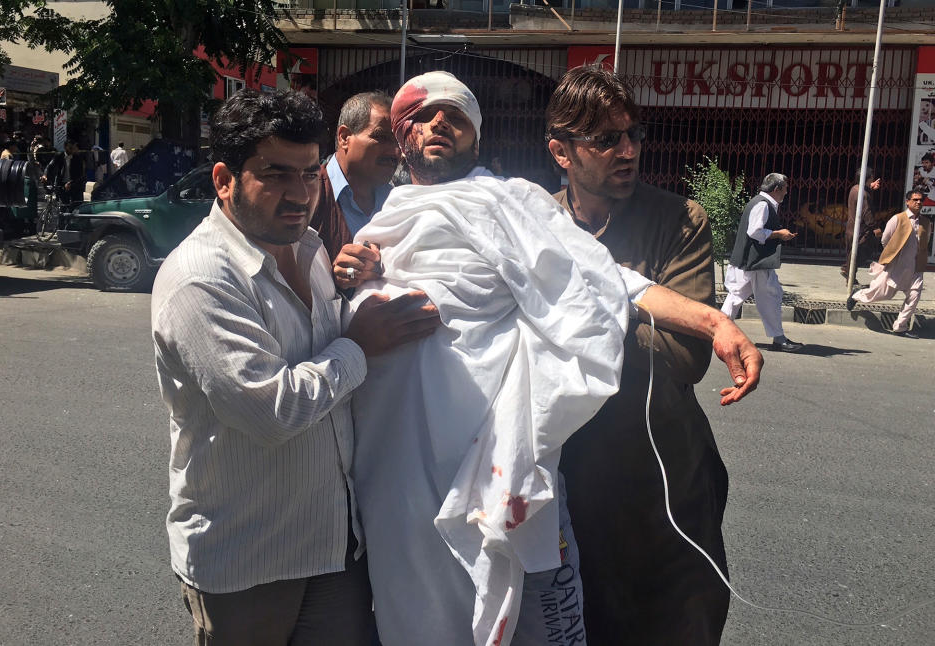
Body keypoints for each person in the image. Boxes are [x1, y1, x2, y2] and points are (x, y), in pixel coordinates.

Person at [342, 70, 762, 646]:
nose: (439, 122)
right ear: (400, 135)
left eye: (457, 115)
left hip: (525, 455)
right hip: (403, 463)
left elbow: (604, 280)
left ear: (478, 138)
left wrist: (713, 320)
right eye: (422, 114)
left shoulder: (514, 203)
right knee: (415, 609)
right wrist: (364, 288)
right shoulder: (382, 227)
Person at [150, 89, 441, 646]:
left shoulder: (310, 248)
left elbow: (332, 360)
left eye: (310, 174)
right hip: (248, 562)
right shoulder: (202, 279)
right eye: (275, 174)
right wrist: (359, 344)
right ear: (223, 179)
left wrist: (363, 281)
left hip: (334, 546)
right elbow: (270, 410)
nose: (299, 193)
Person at [544, 64, 730, 645]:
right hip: (567, 486)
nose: (627, 150)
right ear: (561, 152)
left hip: (664, 489)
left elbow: (681, 356)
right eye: (605, 139)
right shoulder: (534, 225)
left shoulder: (679, 220)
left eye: (634, 134)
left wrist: (568, 309)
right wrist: (633, 302)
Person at [309, 91, 400, 272]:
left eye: (398, 140)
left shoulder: (397, 200)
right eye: (381, 137)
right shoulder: (308, 193)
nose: (395, 151)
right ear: (344, 138)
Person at [721, 173, 804, 352]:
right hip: (756, 261)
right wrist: (778, 234)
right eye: (785, 188)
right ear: (776, 189)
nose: (787, 192)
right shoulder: (762, 205)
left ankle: (719, 331)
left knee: (737, 297)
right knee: (770, 297)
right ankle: (778, 339)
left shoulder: (760, 202)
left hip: (751, 261)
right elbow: (755, 232)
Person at [846, 189, 932, 338]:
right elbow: (885, 239)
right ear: (907, 201)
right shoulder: (898, 219)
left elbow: (926, 241)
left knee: (914, 296)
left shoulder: (926, 222)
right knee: (882, 293)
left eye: (920, 200)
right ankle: (857, 294)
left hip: (916, 266)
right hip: (897, 264)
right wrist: (892, 253)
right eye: (915, 199)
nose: (919, 202)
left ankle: (900, 327)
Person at [841, 168, 882, 285]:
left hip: (851, 228)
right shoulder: (863, 194)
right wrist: (875, 228)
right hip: (860, 230)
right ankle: (847, 270)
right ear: (868, 178)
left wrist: (870, 187)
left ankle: (849, 275)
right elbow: (866, 212)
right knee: (862, 251)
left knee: (853, 252)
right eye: (871, 178)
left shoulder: (855, 188)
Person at [42, 140, 85, 206]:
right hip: (61, 185)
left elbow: (81, 174)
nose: (72, 150)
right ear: (65, 147)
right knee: (63, 207)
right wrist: (45, 175)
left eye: (73, 148)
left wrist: (71, 183)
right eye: (70, 148)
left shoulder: (78, 158)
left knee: (76, 207)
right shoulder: (59, 156)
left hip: (74, 184)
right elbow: (50, 166)